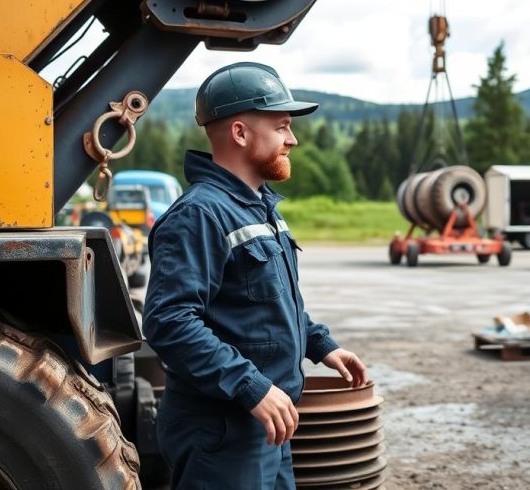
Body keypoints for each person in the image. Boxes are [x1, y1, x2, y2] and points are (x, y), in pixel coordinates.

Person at [143, 62, 368, 489]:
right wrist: (250, 385)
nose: (293, 139)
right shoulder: (199, 215)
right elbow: (168, 323)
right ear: (241, 133)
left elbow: (267, 303)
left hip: (265, 420)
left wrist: (320, 344)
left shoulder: (258, 207)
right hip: (224, 430)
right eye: (282, 126)